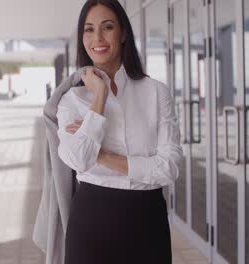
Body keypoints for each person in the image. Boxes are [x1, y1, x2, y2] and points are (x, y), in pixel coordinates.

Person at [57, 0, 183, 263]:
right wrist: (100, 95)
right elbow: (78, 160)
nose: (98, 38)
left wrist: (101, 155)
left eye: (108, 27)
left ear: (123, 33)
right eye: (89, 29)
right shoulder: (71, 99)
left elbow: (169, 168)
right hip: (91, 222)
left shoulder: (155, 92)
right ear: (82, 38)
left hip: (147, 222)